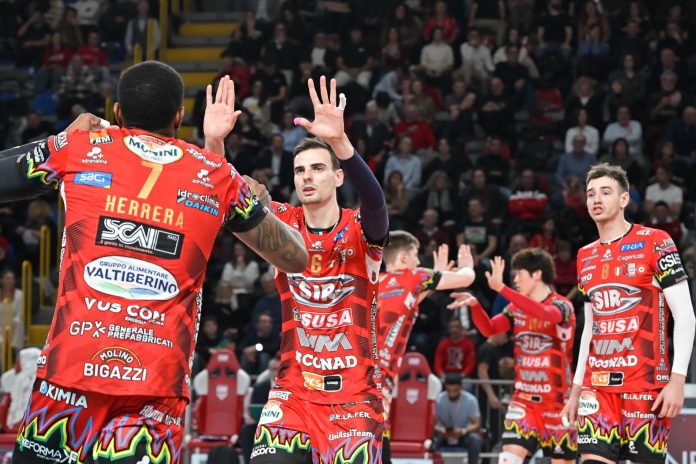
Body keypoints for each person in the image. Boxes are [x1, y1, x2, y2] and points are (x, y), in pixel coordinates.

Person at [0, 61, 308, 464]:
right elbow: (296, 258)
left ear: (116, 112)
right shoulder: (218, 176)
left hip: (69, 375)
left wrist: (60, 138)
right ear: (179, 117)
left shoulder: (79, 147)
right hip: (156, 386)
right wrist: (253, 203)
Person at [245, 76, 389, 464]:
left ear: (338, 176)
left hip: (355, 397)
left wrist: (341, 144)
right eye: (300, 170)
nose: (307, 176)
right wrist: (214, 143)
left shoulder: (361, 229)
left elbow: (376, 204)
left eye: (318, 168)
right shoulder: (282, 223)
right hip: (292, 392)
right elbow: (226, 198)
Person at [562, 163, 695, 464]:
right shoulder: (585, 255)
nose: (596, 199)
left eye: (605, 192)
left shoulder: (655, 241)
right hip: (597, 388)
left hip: (645, 386)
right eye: (591, 194)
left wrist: (677, 380)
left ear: (624, 199)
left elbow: (686, 316)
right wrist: (576, 389)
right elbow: (589, 329)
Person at [450, 251, 577, 464]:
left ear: (537, 274)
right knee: (508, 458)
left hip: (558, 403)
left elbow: (545, 314)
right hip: (523, 401)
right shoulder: (515, 308)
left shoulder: (563, 305)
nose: (515, 280)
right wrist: (475, 306)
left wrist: (501, 288)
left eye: (519, 274)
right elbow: (490, 329)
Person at [377, 233, 476, 463]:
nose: (419, 261)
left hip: (357, 379)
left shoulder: (375, 283)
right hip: (376, 384)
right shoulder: (415, 276)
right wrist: (467, 267)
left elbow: (408, 300)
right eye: (415, 255)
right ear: (404, 258)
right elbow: (465, 280)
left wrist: (434, 279)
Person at [433, 372, 483, 464]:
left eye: (455, 390)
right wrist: (440, 429)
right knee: (430, 440)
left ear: (461, 387)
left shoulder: (471, 400)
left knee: (475, 439)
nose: (452, 393)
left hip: (463, 434)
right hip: (443, 434)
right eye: (449, 390)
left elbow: (477, 424)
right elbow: (430, 423)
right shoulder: (438, 400)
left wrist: (463, 431)